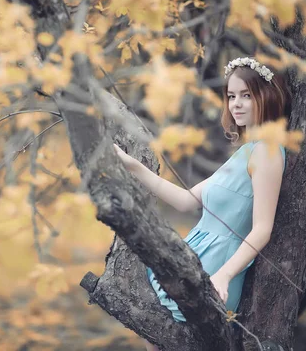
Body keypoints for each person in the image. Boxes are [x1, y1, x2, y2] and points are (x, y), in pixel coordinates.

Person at [114, 57, 292, 351]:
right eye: (232, 96)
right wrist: (132, 165)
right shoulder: (245, 152)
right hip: (192, 257)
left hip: (217, 268)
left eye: (247, 95)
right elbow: (186, 201)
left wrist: (223, 275)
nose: (236, 104)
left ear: (268, 96)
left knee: (162, 338)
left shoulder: (268, 153)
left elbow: (262, 228)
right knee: (154, 337)